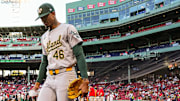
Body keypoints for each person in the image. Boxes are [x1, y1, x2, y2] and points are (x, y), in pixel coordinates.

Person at [32, 3, 89, 101]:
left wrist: (85, 80)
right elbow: (44, 62)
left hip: (65, 74)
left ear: (53, 13)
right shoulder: (44, 37)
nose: (44, 20)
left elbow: (79, 55)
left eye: (46, 16)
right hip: (49, 77)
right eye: (41, 18)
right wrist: (37, 84)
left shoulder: (68, 28)